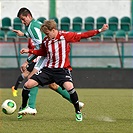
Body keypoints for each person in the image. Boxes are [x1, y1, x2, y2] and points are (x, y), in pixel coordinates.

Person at [20, 20, 108, 121]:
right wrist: (29, 51)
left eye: (48, 34)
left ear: (53, 30)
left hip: (62, 70)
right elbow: (42, 52)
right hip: (48, 70)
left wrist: (100, 30)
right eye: (45, 34)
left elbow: (83, 35)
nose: (47, 36)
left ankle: (77, 111)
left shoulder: (65, 36)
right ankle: (23, 107)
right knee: (27, 84)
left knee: (70, 87)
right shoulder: (46, 40)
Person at [12, 7, 84, 119]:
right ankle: (75, 102)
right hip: (46, 55)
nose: (22, 21)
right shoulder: (37, 24)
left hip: (44, 56)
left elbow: (42, 46)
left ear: (29, 16)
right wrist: (24, 35)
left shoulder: (31, 27)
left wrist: (28, 61)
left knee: (31, 77)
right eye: (21, 20)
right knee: (53, 85)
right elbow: (40, 36)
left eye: (23, 19)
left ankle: (31, 107)